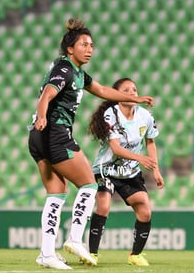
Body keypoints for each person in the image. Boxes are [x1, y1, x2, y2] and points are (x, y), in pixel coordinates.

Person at [28, 19, 154, 270]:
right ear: (70, 49)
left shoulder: (78, 73)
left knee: (56, 194)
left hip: (37, 136)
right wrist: (43, 114)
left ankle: (46, 253)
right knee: (88, 185)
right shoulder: (64, 69)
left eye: (92, 45)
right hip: (54, 132)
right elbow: (47, 94)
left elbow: (105, 91)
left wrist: (134, 98)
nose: (89, 49)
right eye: (84, 44)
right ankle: (75, 239)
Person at [87, 78, 164, 266]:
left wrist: (156, 170)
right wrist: (141, 159)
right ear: (117, 95)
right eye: (126, 90)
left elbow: (150, 142)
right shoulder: (110, 114)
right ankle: (92, 254)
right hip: (106, 170)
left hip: (129, 172)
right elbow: (116, 149)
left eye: (135, 89)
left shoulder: (145, 116)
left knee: (145, 209)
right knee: (104, 206)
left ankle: (135, 255)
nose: (132, 92)